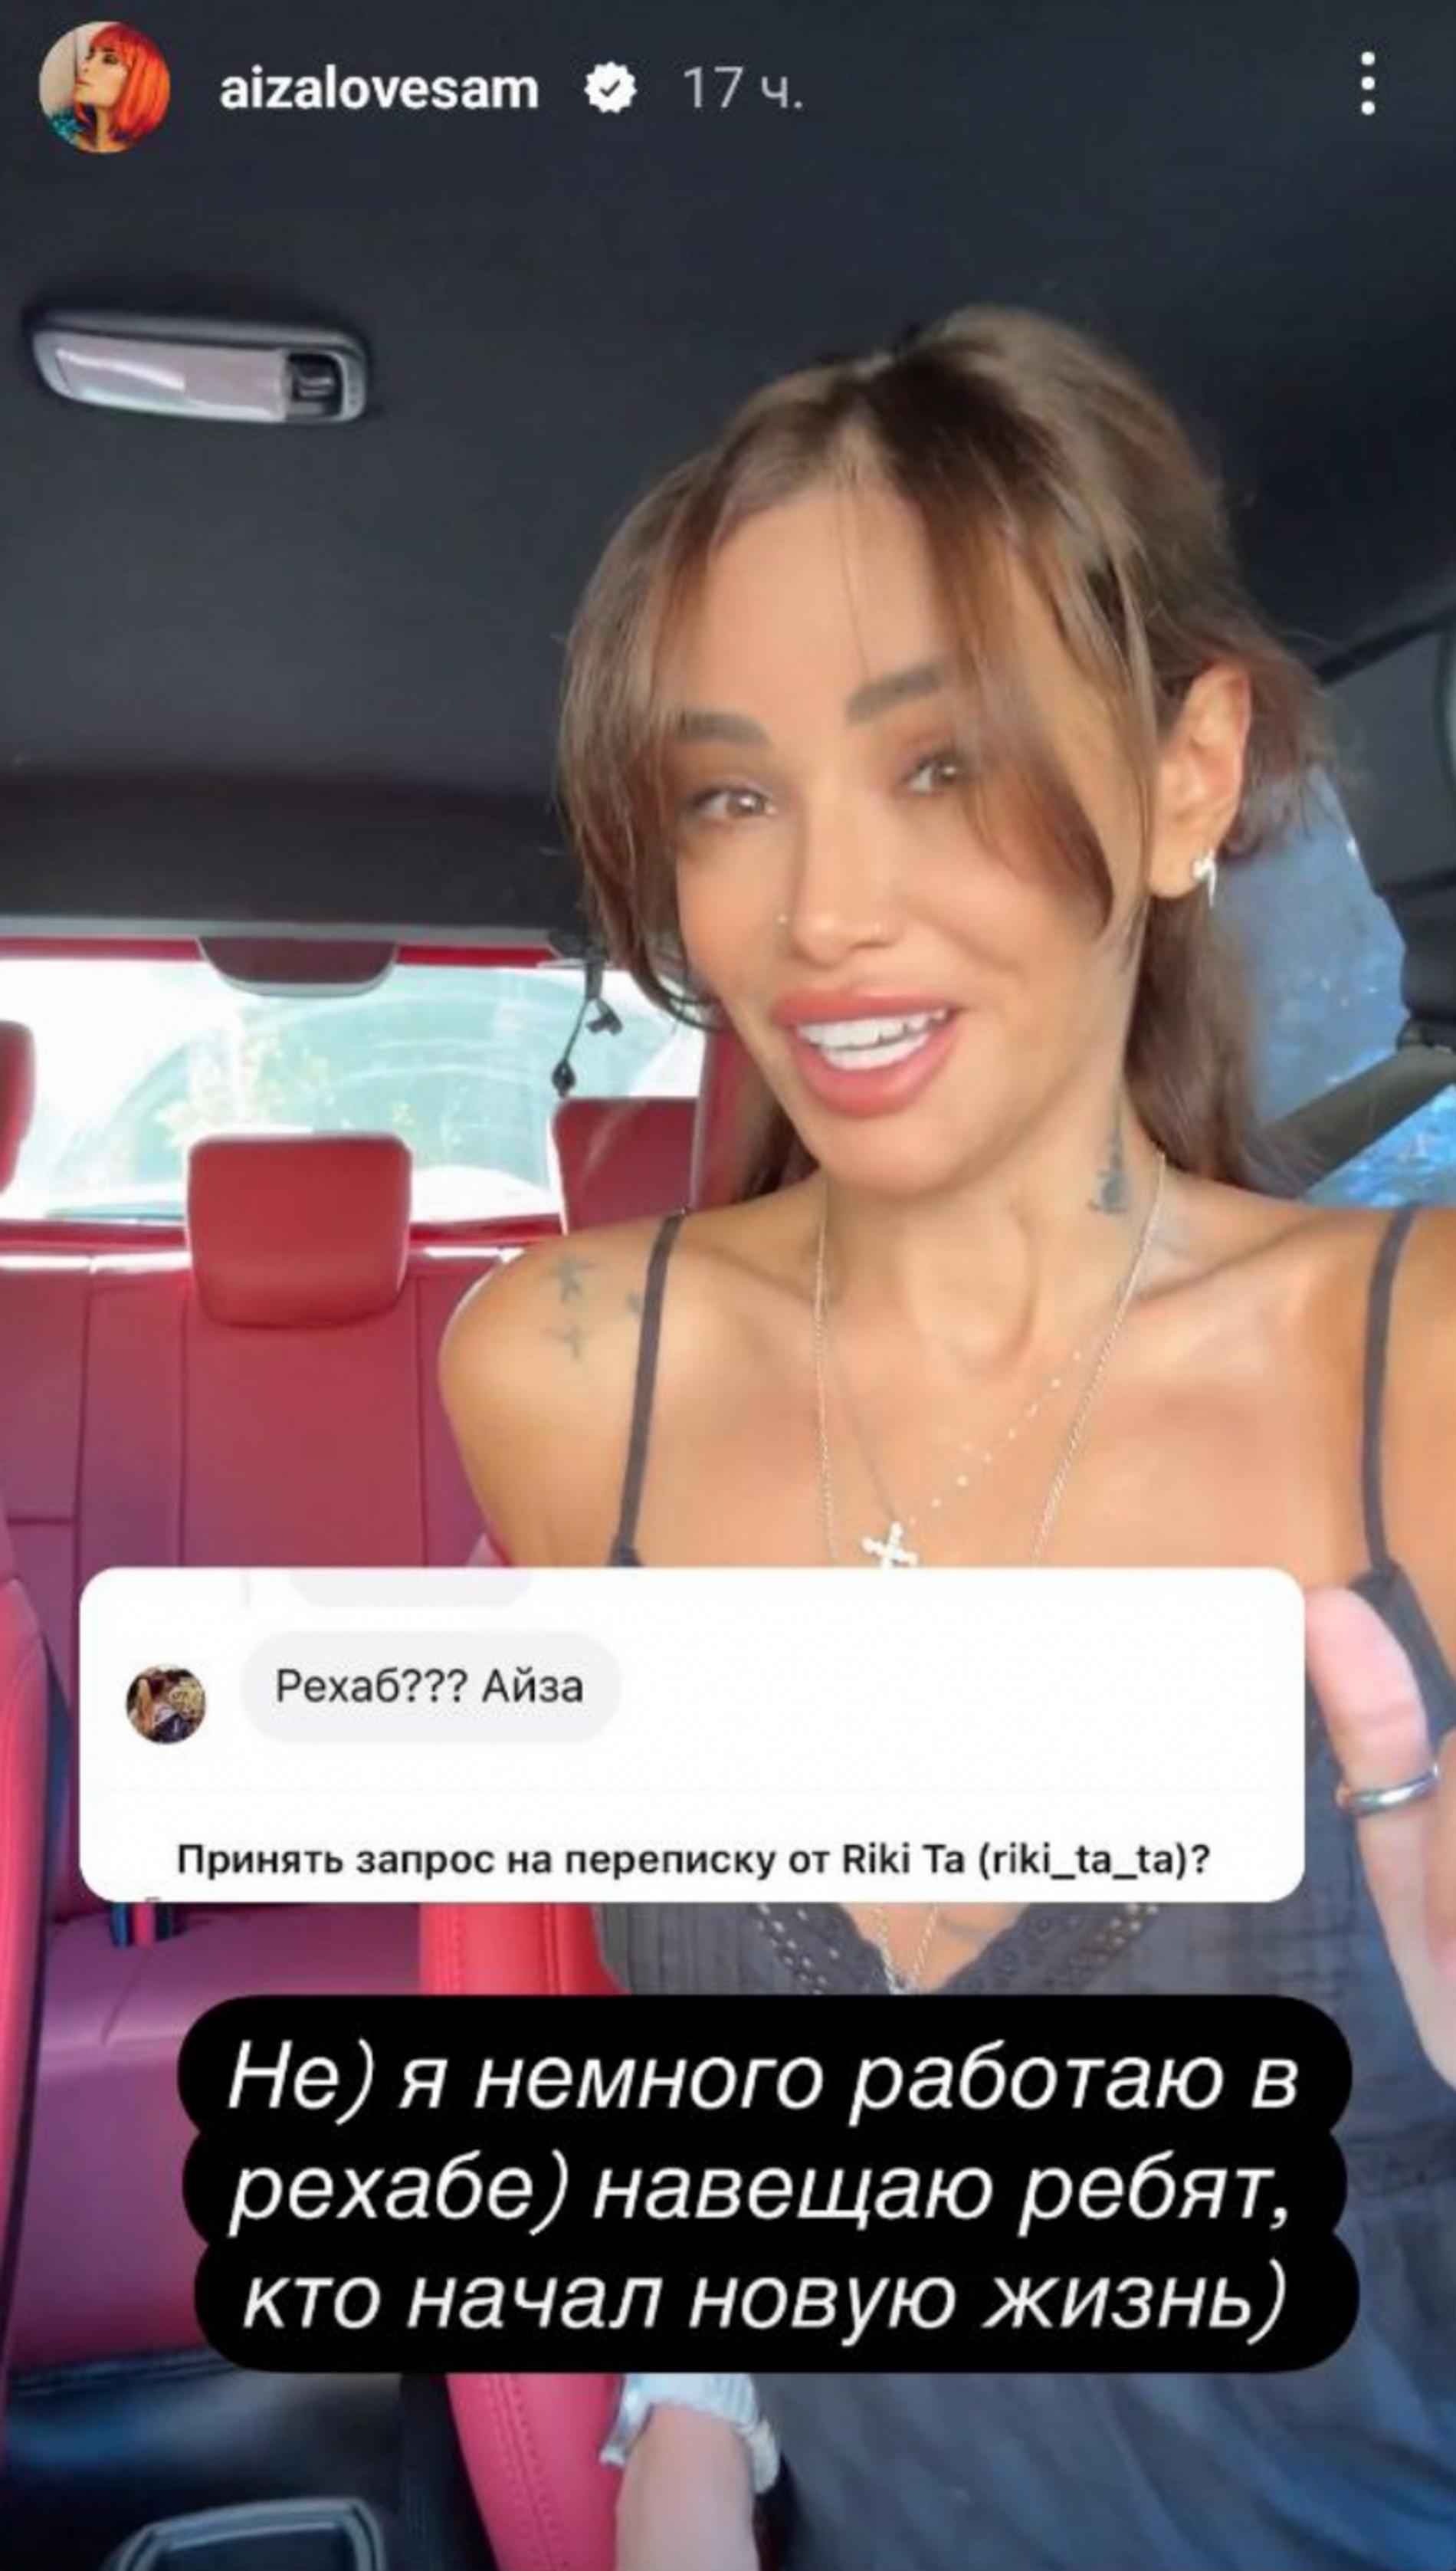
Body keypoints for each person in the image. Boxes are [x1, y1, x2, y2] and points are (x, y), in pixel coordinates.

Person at [438, 307, 1456, 2571]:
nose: (818, 913)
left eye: (938, 761)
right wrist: (690, 2425)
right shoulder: (565, 1382)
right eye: (730, 795)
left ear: (1186, 777)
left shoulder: (1421, 1369)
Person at [48, 22, 170, 155]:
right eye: (90, 56)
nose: (85, 67)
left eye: (110, 60)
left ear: (143, 79)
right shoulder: (60, 129)